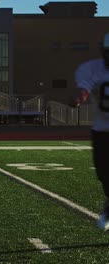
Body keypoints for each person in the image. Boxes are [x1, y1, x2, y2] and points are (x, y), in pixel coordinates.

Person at [73, 32, 109, 230]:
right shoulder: (92, 69)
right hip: (102, 131)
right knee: (103, 175)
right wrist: (79, 99)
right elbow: (84, 89)